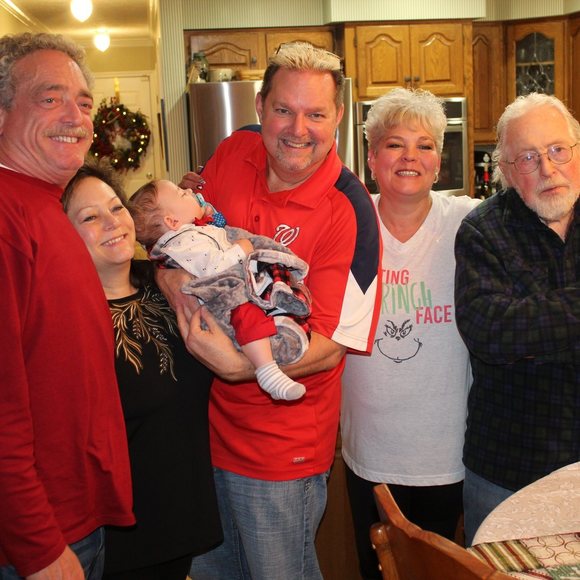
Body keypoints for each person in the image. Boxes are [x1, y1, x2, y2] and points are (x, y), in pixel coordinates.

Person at [169, 41, 382, 580]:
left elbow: (333, 345)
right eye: (284, 109)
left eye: (316, 114)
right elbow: (182, 239)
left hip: (279, 453)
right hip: (198, 432)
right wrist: (172, 284)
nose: (298, 129)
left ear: (338, 116)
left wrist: (241, 367)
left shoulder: (351, 209)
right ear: (260, 106)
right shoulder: (232, 150)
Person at [0, 33, 134, 579]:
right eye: (50, 98)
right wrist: (37, 546)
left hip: (74, 517)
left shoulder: (43, 207)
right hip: (41, 538)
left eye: (83, 102)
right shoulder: (6, 217)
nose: (75, 117)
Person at [340, 87, 480, 579]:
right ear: (372, 158)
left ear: (439, 162)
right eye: (395, 144)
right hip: (369, 449)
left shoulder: (469, 221)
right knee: (374, 569)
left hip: (446, 449)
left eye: (425, 145)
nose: (410, 157)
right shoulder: (346, 222)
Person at [62, 161, 223, 579]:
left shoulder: (169, 282)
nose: (112, 223)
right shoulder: (67, 318)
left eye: (116, 208)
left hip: (186, 517)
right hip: (122, 537)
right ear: (62, 234)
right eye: (90, 217)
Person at [454, 92, 580, 546]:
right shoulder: (483, 231)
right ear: (506, 172)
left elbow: (519, 329)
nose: (547, 168)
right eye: (527, 157)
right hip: (508, 473)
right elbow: (492, 332)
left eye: (558, 149)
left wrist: (537, 326)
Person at [129, 178, 311, 401]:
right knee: (247, 314)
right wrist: (240, 249)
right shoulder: (182, 243)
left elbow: (215, 229)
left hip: (231, 286)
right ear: (172, 221)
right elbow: (214, 267)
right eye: (182, 193)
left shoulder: (190, 231)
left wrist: (205, 213)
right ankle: (267, 371)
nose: (189, 191)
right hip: (220, 304)